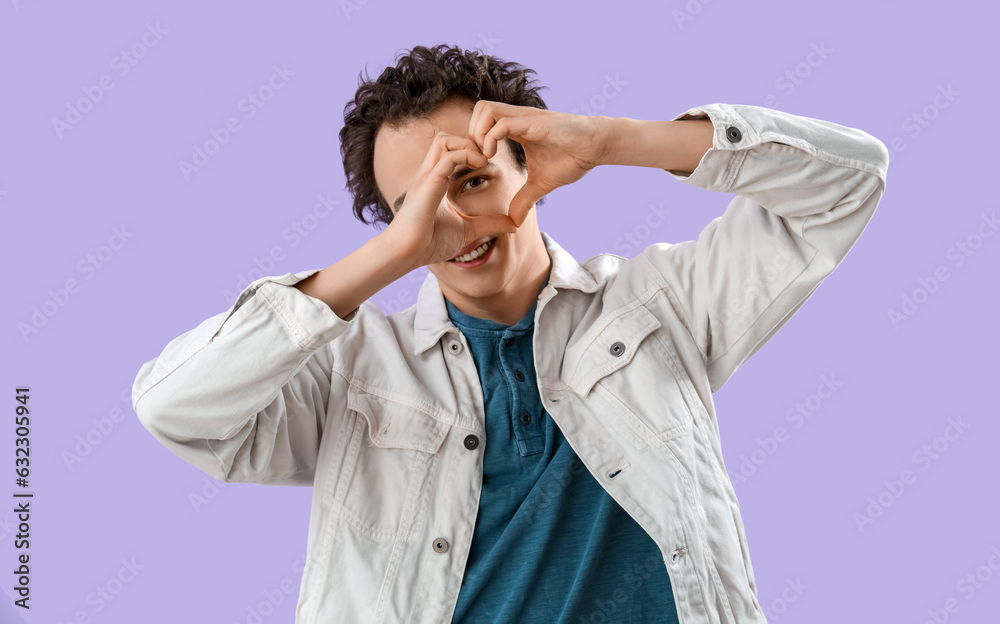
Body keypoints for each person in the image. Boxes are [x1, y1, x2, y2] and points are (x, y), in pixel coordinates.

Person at [132, 44, 889, 623]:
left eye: (469, 179)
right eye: (417, 205)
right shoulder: (352, 373)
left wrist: (612, 139)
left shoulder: (662, 308)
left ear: (531, 161)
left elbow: (849, 181)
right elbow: (176, 407)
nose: (452, 224)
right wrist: (391, 253)